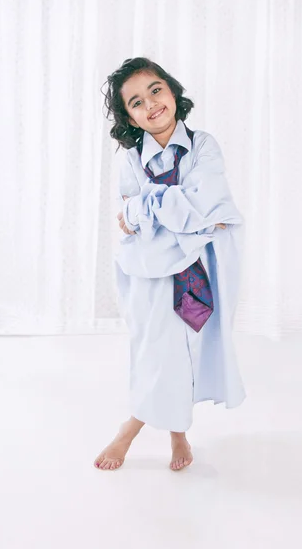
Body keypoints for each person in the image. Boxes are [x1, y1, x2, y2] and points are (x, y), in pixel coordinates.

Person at [94, 57, 246, 472]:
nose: (151, 104)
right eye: (137, 102)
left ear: (173, 90)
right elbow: (137, 223)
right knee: (154, 350)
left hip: (198, 271)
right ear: (130, 117)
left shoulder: (203, 146)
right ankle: (133, 428)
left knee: (188, 350)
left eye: (156, 90)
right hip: (149, 273)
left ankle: (177, 432)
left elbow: (206, 208)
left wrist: (151, 208)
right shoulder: (130, 161)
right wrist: (178, 214)